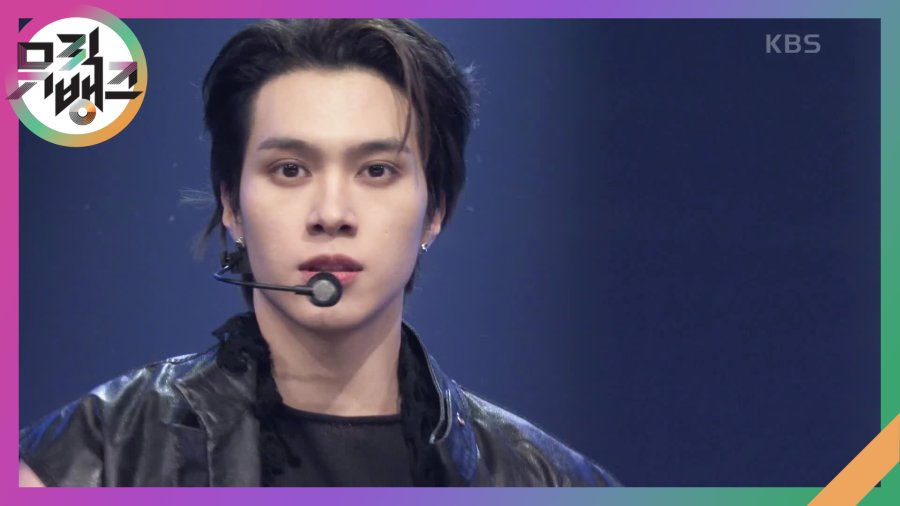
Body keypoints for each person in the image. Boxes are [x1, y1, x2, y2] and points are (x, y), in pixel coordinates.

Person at [19, 18, 620, 487]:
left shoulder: (544, 480)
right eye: (290, 169)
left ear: (435, 209)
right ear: (232, 205)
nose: (332, 212)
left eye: (377, 170)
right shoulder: (97, 454)